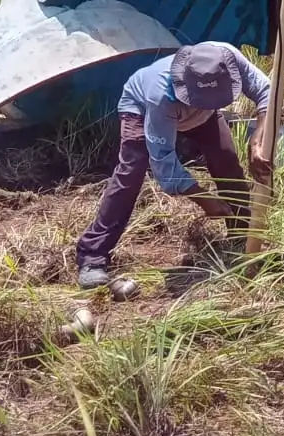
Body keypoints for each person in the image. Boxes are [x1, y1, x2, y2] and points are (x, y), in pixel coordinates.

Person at [75, 41, 271, 288]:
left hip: (201, 117)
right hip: (140, 108)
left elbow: (267, 92)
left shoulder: (227, 58)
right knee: (130, 173)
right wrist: (203, 198)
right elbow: (163, 161)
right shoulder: (160, 95)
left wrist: (257, 139)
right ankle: (92, 256)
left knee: (226, 160)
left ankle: (241, 239)